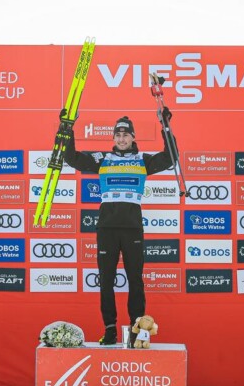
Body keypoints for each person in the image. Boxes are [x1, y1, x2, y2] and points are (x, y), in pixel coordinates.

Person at [64, 112, 174, 346]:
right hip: (107, 228)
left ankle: (137, 329)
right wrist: (67, 128)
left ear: (133, 137)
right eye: (118, 135)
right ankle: (110, 329)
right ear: (113, 138)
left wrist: (165, 126)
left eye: (126, 135)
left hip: (132, 228)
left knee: (135, 280)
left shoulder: (142, 160)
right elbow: (71, 158)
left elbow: (170, 157)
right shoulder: (102, 159)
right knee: (106, 280)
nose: (122, 139)